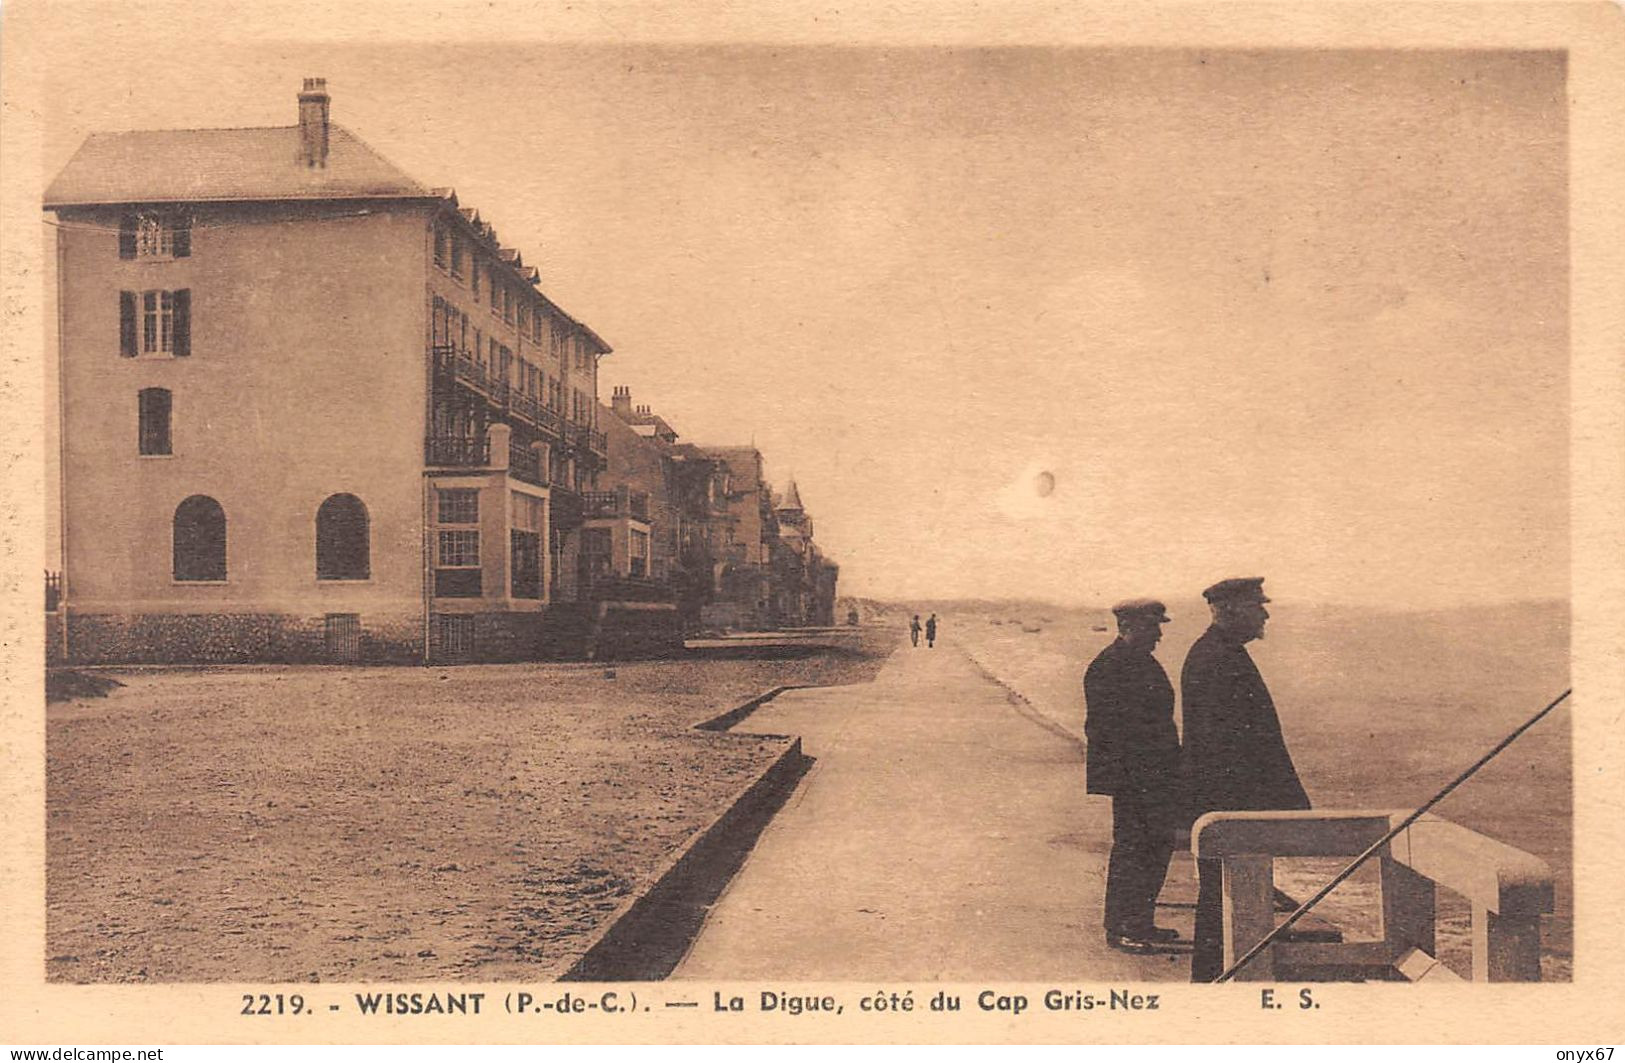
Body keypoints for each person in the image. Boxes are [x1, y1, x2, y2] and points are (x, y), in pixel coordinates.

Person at [1180, 577, 1310, 982]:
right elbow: (1227, 748)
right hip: (1230, 808)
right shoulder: (1217, 659)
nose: (1265, 613)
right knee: (1224, 904)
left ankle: (1214, 981)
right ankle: (1214, 984)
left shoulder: (1218, 654)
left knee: (1223, 904)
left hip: (1227, 807)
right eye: (1258, 606)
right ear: (1232, 610)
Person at [1084, 598, 1182, 953]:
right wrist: (1129, 778)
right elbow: (1105, 731)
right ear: (1129, 627)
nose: (1158, 635)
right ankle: (1122, 926)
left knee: (1155, 848)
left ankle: (1141, 921)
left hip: (1155, 777)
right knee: (1132, 850)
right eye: (1152, 627)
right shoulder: (1109, 667)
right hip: (1135, 780)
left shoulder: (1140, 662)